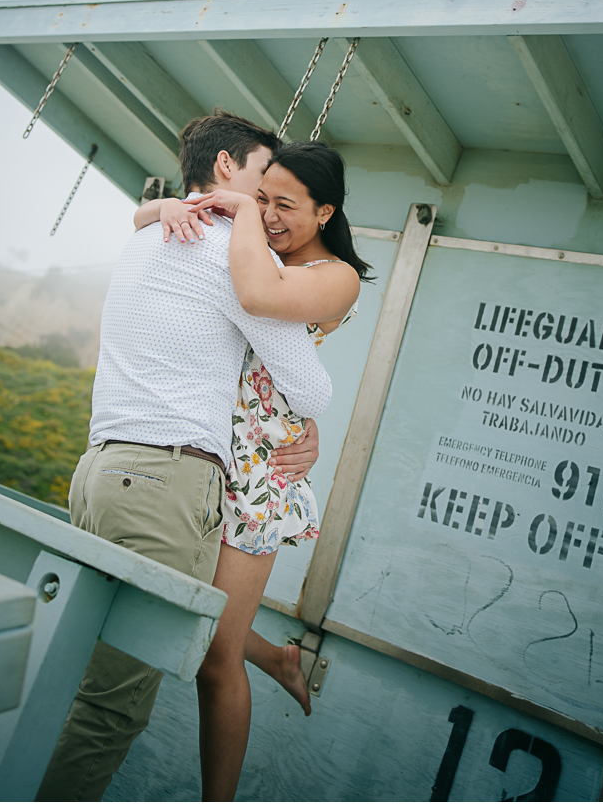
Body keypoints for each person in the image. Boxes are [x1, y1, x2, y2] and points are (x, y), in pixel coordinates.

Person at [35, 111, 333, 802]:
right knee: (111, 708)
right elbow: (309, 383)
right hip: (166, 482)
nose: (267, 199)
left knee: (81, 673)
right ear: (227, 169)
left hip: (99, 471)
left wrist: (161, 207)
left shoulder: (148, 238)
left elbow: (145, 222)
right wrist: (303, 420)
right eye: (263, 177)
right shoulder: (227, 253)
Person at [135, 139, 373, 801]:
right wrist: (167, 211)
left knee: (213, 659)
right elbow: (141, 219)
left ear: (325, 212)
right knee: (189, 610)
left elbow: (259, 297)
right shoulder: (253, 241)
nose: (267, 214)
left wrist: (234, 209)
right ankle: (272, 656)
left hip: (263, 472)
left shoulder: (337, 275)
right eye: (262, 196)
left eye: (285, 206)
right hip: (203, 439)